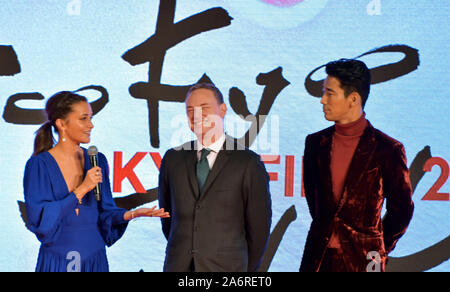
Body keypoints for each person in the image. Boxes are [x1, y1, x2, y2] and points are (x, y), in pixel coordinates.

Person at [23, 91, 169, 272]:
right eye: (83, 119)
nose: (90, 125)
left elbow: (105, 214)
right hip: (57, 261)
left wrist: (131, 214)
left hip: (94, 260)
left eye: (91, 118)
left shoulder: (97, 160)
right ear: (62, 124)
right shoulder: (39, 165)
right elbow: (41, 222)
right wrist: (82, 189)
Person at [300, 59, 414, 272]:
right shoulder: (315, 143)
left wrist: (375, 248)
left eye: (329, 93)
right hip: (317, 260)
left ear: (353, 98)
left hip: (365, 262)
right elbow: (315, 203)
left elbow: (402, 211)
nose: (322, 100)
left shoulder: (387, 149)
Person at [158, 83, 272, 272]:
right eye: (190, 110)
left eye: (204, 108)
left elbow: (259, 230)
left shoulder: (247, 162)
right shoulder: (173, 159)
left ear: (222, 110)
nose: (196, 115)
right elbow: (168, 220)